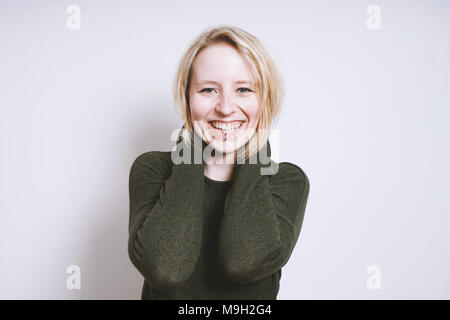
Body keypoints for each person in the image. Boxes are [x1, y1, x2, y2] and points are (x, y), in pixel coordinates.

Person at [127, 25, 310, 300]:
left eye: (244, 90)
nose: (225, 107)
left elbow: (243, 261)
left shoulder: (286, 181)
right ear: (188, 98)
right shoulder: (152, 170)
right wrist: (191, 143)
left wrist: (255, 145)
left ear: (266, 99)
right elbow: (166, 269)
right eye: (208, 90)